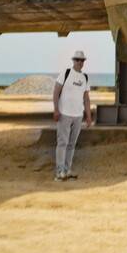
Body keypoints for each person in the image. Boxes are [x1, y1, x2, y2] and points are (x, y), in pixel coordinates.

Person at [52, 50, 94, 180]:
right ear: (73, 61)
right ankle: (59, 172)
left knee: (72, 144)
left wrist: (88, 116)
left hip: (78, 116)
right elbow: (56, 92)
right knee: (62, 143)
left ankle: (67, 169)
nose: (80, 62)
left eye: (82, 60)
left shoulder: (85, 78)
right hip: (64, 114)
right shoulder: (65, 73)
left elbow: (86, 98)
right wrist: (56, 110)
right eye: (77, 60)